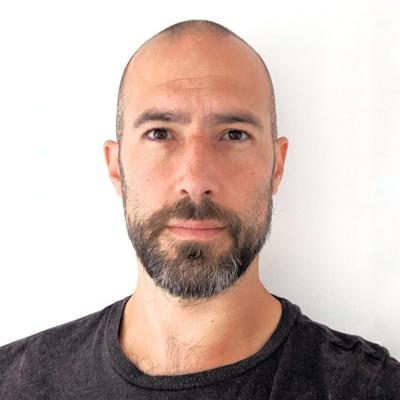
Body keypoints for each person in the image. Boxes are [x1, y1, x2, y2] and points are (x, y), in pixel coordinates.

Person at [0, 19, 399, 399]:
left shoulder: (372, 389)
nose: (195, 179)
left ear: (276, 166)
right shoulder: (14, 383)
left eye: (234, 134)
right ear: (116, 167)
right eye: (160, 133)